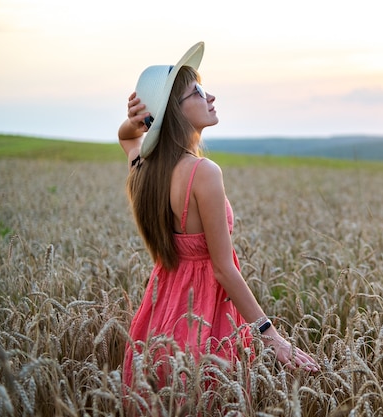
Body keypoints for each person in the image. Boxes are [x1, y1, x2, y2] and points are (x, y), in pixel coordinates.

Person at [118, 42, 319, 392]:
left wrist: (135, 120)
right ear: (174, 113)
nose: (209, 96)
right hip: (205, 325)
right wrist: (272, 336)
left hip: (158, 320)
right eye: (196, 92)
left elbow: (128, 139)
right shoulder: (203, 172)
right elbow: (224, 269)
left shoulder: (145, 170)